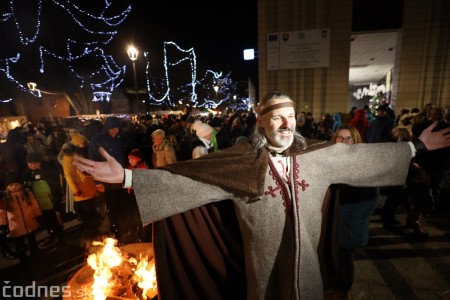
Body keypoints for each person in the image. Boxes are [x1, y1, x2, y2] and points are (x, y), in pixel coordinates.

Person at [74, 91, 450, 300]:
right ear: (261, 122)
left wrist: (415, 146)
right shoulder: (240, 163)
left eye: (291, 117)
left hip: (309, 278)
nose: (287, 124)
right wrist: (126, 177)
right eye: (277, 117)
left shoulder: (317, 157)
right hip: (264, 280)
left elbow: (361, 159)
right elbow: (187, 181)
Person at [325, 125, 378, 300]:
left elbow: (371, 200)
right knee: (331, 255)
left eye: (349, 138)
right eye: (340, 137)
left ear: (356, 141)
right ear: (334, 139)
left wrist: (349, 218)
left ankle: (343, 290)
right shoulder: (329, 161)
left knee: (345, 258)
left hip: (348, 224)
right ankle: (333, 285)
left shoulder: (364, 165)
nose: (345, 141)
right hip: (331, 221)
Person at [62, 135, 102, 245]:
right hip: (81, 190)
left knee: (93, 212)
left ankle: (96, 235)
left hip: (91, 187)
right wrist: (75, 190)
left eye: (85, 143)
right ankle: (90, 238)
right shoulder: (69, 157)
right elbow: (68, 175)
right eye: (81, 144)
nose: (84, 145)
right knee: (86, 215)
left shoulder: (85, 153)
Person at [23, 152, 65, 246]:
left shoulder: (48, 171)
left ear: (40, 162)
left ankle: (61, 238)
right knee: (46, 222)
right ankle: (52, 236)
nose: (32, 165)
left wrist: (57, 202)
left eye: (35, 162)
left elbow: (55, 188)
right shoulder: (27, 174)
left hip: (50, 202)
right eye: (30, 163)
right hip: (38, 204)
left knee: (55, 221)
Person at [0, 170, 43, 263]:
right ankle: (23, 257)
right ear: (7, 187)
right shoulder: (5, 199)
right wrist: (2, 225)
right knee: (19, 244)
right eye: (11, 185)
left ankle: (35, 252)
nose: (14, 187)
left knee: (32, 240)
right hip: (16, 226)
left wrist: (38, 215)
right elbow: (2, 212)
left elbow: (34, 205)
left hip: (30, 222)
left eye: (16, 184)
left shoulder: (27, 194)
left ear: (20, 184)